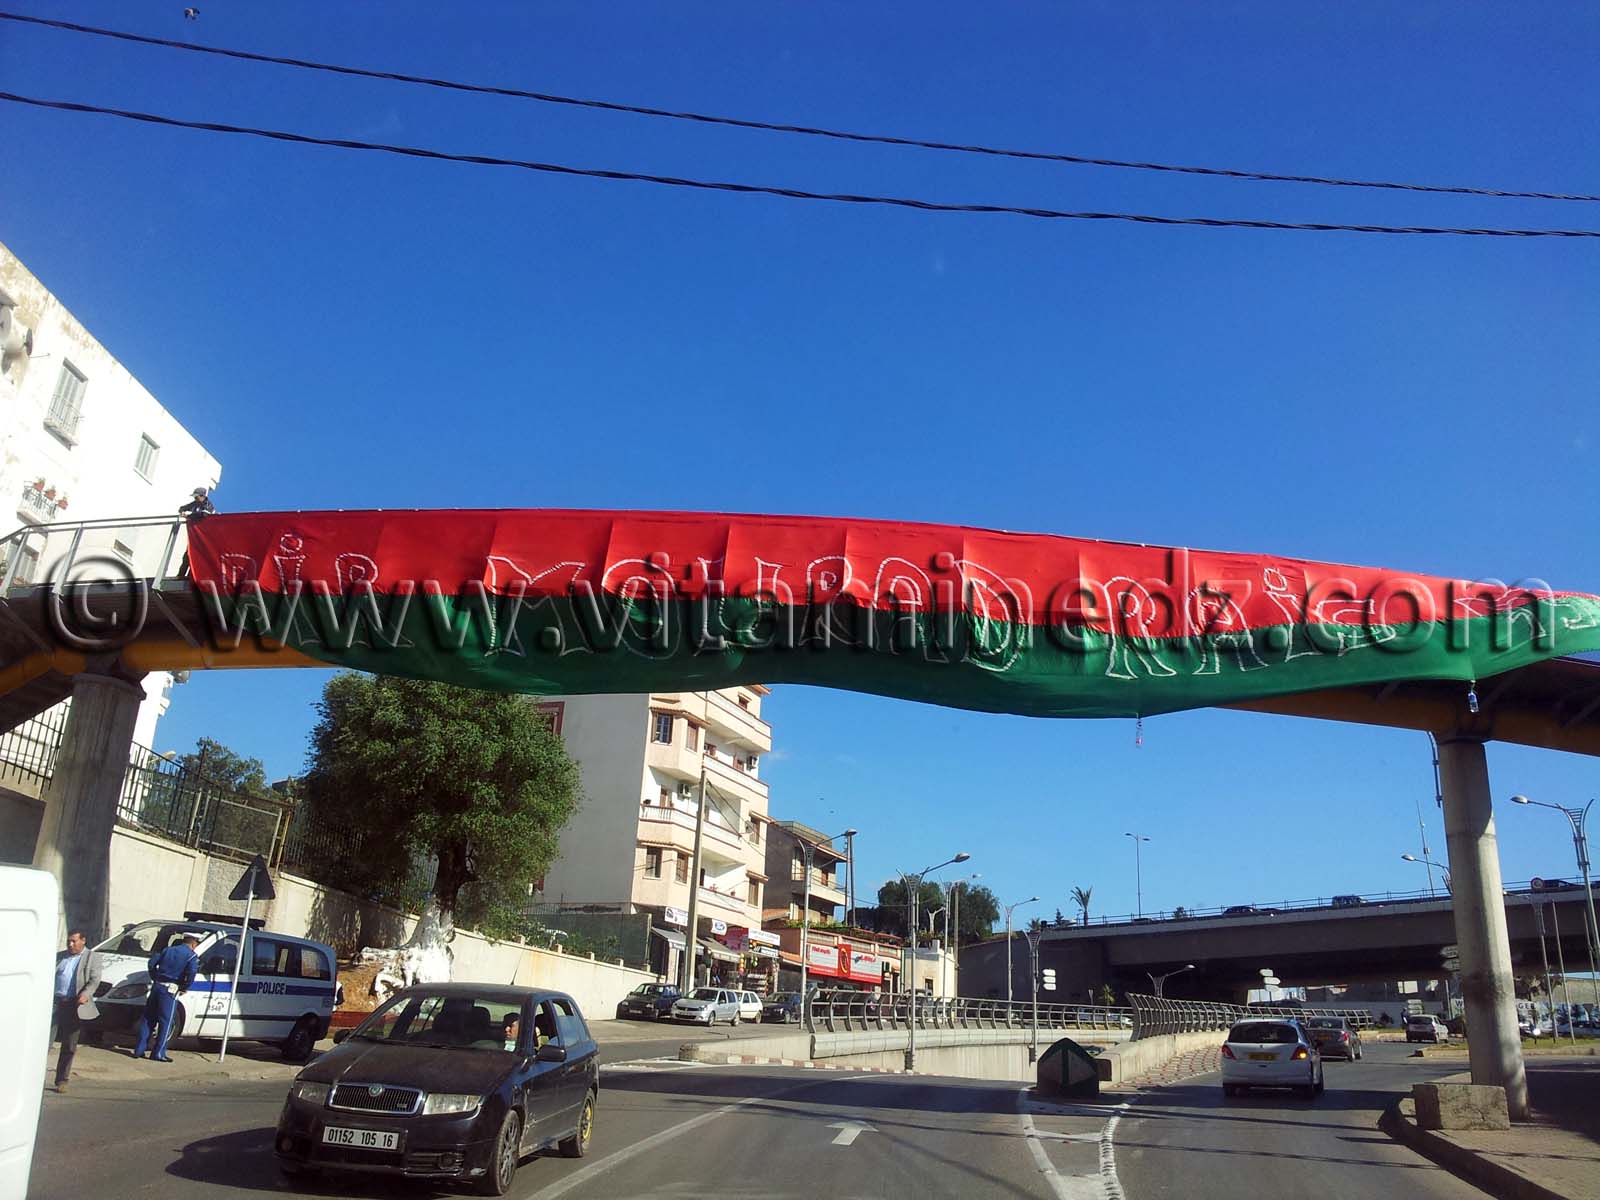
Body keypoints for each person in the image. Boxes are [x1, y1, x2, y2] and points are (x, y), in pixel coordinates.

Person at [133, 934, 200, 1061]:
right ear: (193, 944)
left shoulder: (167, 950)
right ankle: (158, 1053)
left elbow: (152, 963)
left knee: (148, 1019)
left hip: (157, 986)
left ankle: (139, 1050)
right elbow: (191, 973)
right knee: (166, 1022)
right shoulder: (191, 956)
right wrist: (184, 986)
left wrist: (155, 977)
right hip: (170, 990)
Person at [52, 929, 102, 1092]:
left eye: (74, 941)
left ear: (83, 941)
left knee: (69, 1044)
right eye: (69, 941)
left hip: (74, 1005)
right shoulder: (60, 956)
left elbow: (94, 980)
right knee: (44, 1041)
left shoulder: (92, 958)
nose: (70, 944)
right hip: (55, 1002)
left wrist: (85, 994)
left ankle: (62, 1080)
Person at [175, 487, 216, 579]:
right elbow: (183, 507)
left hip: (204, 536)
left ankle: (191, 577)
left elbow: (204, 514)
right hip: (194, 535)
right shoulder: (195, 504)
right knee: (187, 555)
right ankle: (180, 576)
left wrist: (189, 515)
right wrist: (182, 511)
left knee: (197, 556)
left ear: (203, 496)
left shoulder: (208, 505)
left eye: (196, 497)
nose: (195, 499)